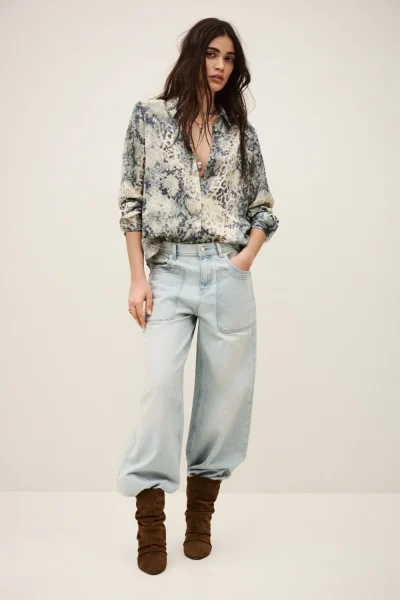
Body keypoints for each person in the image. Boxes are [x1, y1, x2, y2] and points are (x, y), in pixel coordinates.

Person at [116, 17, 279, 575]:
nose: (220, 66)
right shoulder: (149, 117)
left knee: (224, 400)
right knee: (161, 390)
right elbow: (131, 202)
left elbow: (263, 208)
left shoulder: (241, 131)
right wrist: (137, 278)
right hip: (169, 272)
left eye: (229, 58)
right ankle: (150, 521)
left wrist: (244, 259)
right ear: (194, 55)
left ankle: (201, 518)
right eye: (212, 54)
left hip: (227, 274)